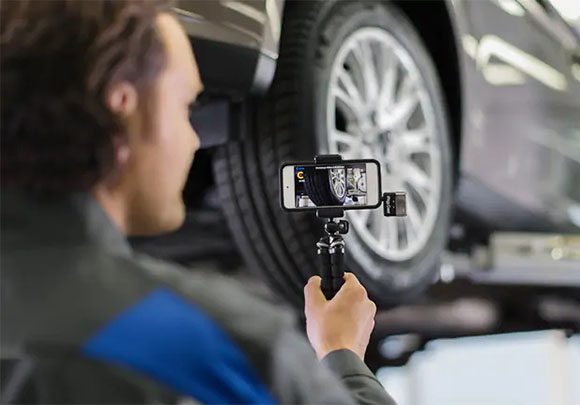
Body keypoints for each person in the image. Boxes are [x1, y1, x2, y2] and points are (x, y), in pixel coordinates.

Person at [0, 1, 395, 404]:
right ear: (123, 105)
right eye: (186, 107)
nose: (193, 139)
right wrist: (342, 356)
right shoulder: (213, 342)